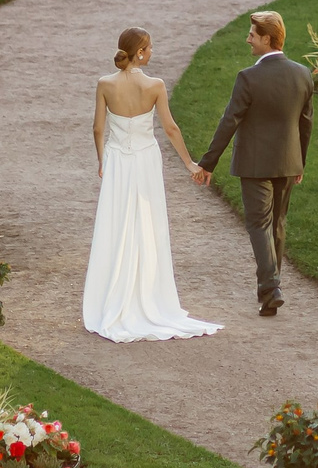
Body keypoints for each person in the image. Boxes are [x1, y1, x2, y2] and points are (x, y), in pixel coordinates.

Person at [82, 27, 221, 342]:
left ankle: (112, 296)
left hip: (118, 160)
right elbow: (170, 128)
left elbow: (97, 128)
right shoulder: (155, 85)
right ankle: (147, 294)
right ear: (141, 51)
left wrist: (102, 160)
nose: (152, 51)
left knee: (116, 223)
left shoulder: (105, 84)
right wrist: (190, 163)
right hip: (145, 159)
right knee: (147, 223)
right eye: (150, 47)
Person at [195, 9, 313, 318]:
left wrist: (208, 163)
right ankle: (269, 294)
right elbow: (306, 123)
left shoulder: (248, 77)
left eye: (252, 35)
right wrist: (300, 161)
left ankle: (271, 289)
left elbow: (229, 121)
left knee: (259, 224)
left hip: (254, 164)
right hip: (289, 162)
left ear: (267, 39)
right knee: (277, 224)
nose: (248, 39)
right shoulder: (302, 73)